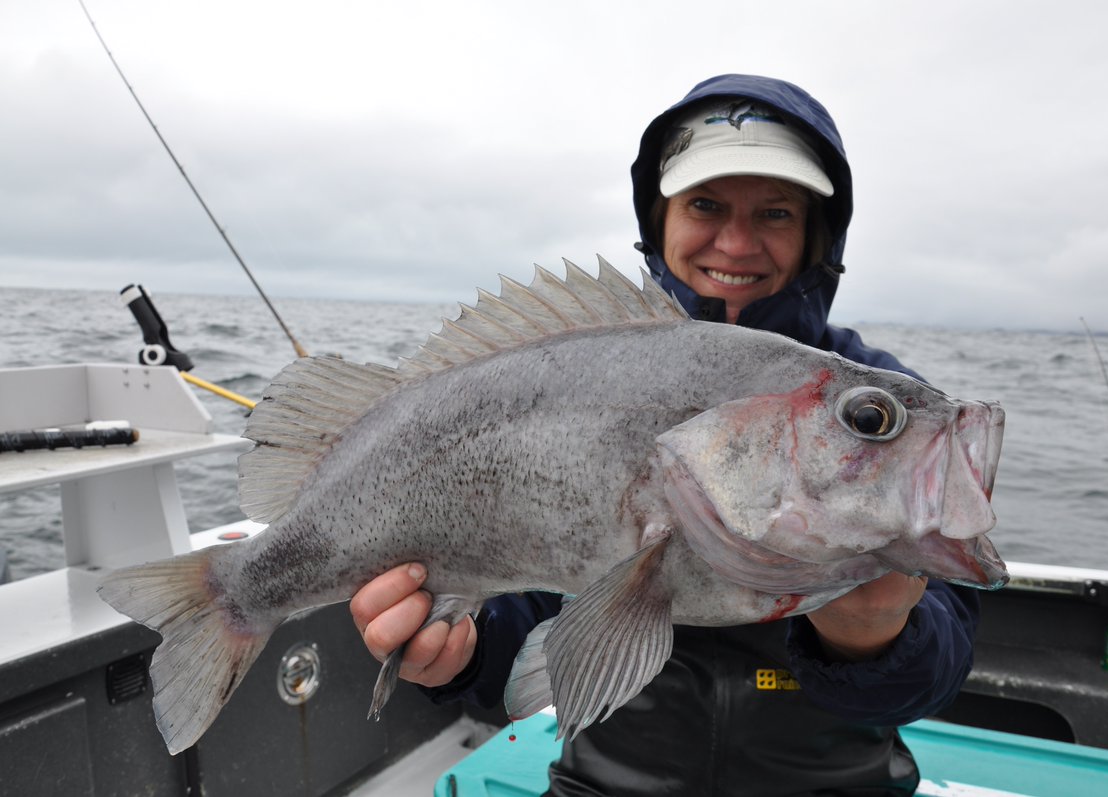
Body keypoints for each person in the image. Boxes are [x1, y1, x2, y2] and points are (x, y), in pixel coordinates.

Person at [349, 74, 979, 796]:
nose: (737, 242)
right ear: (660, 219)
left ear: (816, 234)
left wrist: (876, 637)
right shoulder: (580, 373)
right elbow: (531, 615)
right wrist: (459, 651)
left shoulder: (873, 402)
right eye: (705, 205)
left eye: (775, 212)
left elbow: (941, 668)